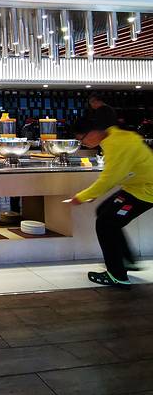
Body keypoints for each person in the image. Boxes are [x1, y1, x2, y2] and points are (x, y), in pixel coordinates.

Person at [70, 117, 153, 288]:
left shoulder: (116, 145)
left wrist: (82, 196)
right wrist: (93, 194)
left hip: (146, 191)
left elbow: (109, 178)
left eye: (82, 139)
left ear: (93, 133)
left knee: (106, 223)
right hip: (136, 187)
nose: (83, 143)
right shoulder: (114, 135)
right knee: (103, 211)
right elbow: (118, 174)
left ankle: (117, 276)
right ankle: (125, 259)